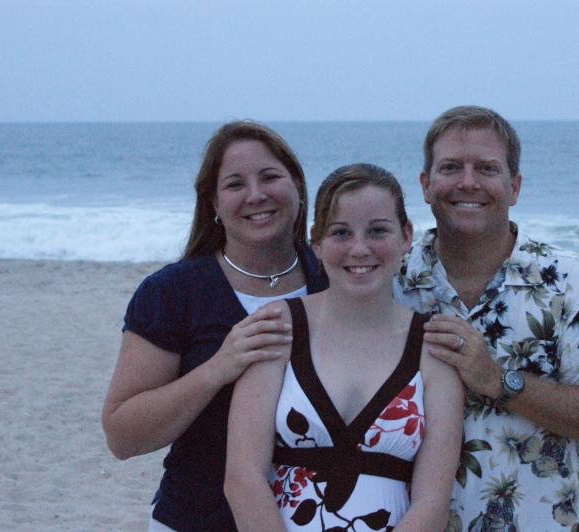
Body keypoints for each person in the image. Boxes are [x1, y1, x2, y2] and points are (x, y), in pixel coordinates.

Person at [393, 106, 579, 531]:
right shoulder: (392, 282)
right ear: (426, 185)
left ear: (514, 187)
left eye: (487, 168)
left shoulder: (572, 283)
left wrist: (499, 381)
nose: (467, 182)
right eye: (450, 167)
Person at [101, 121, 328, 532]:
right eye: (235, 184)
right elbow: (121, 437)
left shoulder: (336, 279)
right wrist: (217, 369)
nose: (256, 195)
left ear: (297, 185)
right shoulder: (172, 292)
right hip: (196, 519)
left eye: (270, 177)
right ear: (214, 203)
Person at [224, 164, 465, 531]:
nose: (359, 248)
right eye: (340, 232)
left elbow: (432, 501)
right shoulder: (278, 327)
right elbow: (243, 478)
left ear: (406, 237)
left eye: (377, 230)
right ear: (317, 244)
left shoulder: (433, 348)